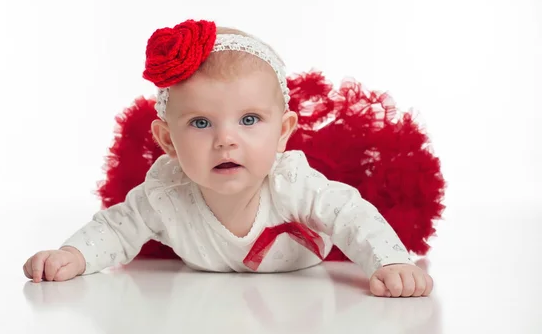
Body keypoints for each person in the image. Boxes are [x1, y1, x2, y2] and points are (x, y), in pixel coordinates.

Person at [23, 19, 444, 298]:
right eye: (201, 123)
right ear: (167, 141)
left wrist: (390, 262)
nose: (226, 140)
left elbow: (352, 217)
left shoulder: (292, 184)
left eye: (249, 120)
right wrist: (74, 256)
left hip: (295, 317)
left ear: (282, 132)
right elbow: (115, 229)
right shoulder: (166, 193)